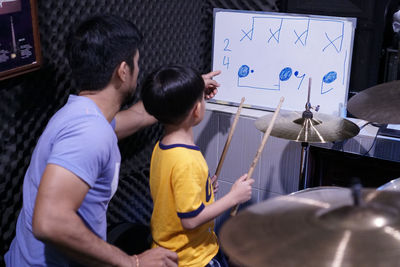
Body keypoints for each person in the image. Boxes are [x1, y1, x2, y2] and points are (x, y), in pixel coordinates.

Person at [4, 15, 220, 267]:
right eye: (137, 63)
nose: (139, 71)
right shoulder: (90, 134)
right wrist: (134, 262)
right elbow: (50, 221)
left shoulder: (80, 114)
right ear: (123, 70)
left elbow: (138, 117)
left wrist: (188, 90)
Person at [141, 65, 255, 267]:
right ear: (197, 109)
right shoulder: (189, 160)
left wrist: (204, 191)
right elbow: (191, 220)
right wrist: (233, 197)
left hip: (167, 250)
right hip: (193, 259)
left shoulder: (162, 147)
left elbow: (174, 195)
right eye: (201, 98)